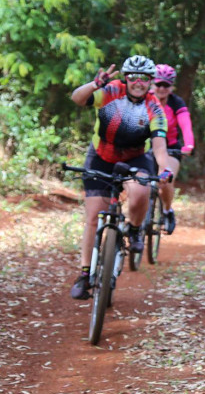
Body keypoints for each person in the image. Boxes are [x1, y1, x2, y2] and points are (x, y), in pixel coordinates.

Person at [68, 55, 174, 300]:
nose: (138, 82)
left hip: (134, 159)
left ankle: (135, 229)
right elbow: (77, 98)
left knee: (139, 193)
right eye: (133, 77)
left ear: (150, 81)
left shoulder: (154, 107)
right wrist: (94, 84)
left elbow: (159, 146)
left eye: (144, 78)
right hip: (101, 156)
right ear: (126, 78)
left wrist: (165, 170)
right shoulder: (110, 91)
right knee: (94, 217)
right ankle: (85, 273)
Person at [148, 64, 195, 235]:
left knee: (166, 180)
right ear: (152, 84)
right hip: (145, 147)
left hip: (170, 149)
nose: (161, 88)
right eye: (158, 84)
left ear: (171, 87)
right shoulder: (144, 99)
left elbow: (185, 124)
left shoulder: (176, 103)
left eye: (166, 85)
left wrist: (188, 145)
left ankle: (167, 211)